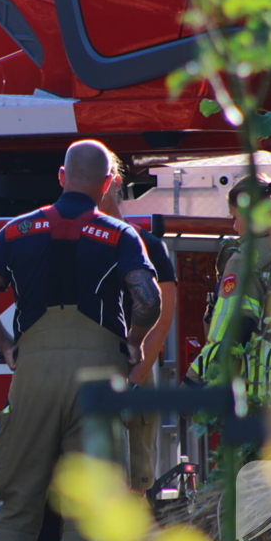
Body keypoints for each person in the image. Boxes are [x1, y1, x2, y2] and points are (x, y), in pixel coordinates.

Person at [0, 139, 161, 541]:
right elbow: (148, 300)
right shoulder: (119, 234)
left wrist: (7, 343)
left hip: (32, 376)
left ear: (61, 176)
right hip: (98, 381)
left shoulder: (17, 229)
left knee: (13, 502)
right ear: (108, 182)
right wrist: (133, 343)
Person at [184, 174, 271, 399]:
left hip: (261, 388)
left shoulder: (245, 259)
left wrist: (194, 381)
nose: (234, 226)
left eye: (236, 217)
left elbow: (233, 328)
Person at [99, 156, 177, 492]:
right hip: (85, 373)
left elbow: (163, 314)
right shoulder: (76, 240)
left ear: (114, 183)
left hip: (130, 372)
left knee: (133, 485)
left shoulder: (148, 245)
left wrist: (137, 377)